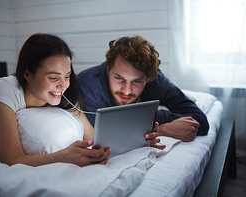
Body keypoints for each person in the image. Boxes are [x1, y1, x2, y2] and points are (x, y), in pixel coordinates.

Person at [0, 33, 110, 167]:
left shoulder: (65, 92)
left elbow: (91, 137)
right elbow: (13, 159)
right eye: (54, 78)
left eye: (67, 76)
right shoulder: (2, 91)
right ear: (28, 74)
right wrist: (64, 156)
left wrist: (98, 153)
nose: (63, 85)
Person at [77, 35, 209, 143]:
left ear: (148, 79)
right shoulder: (89, 84)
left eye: (137, 81)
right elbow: (109, 136)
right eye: (119, 78)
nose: (127, 91)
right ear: (108, 70)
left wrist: (159, 119)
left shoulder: (156, 80)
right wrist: (161, 128)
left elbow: (201, 121)